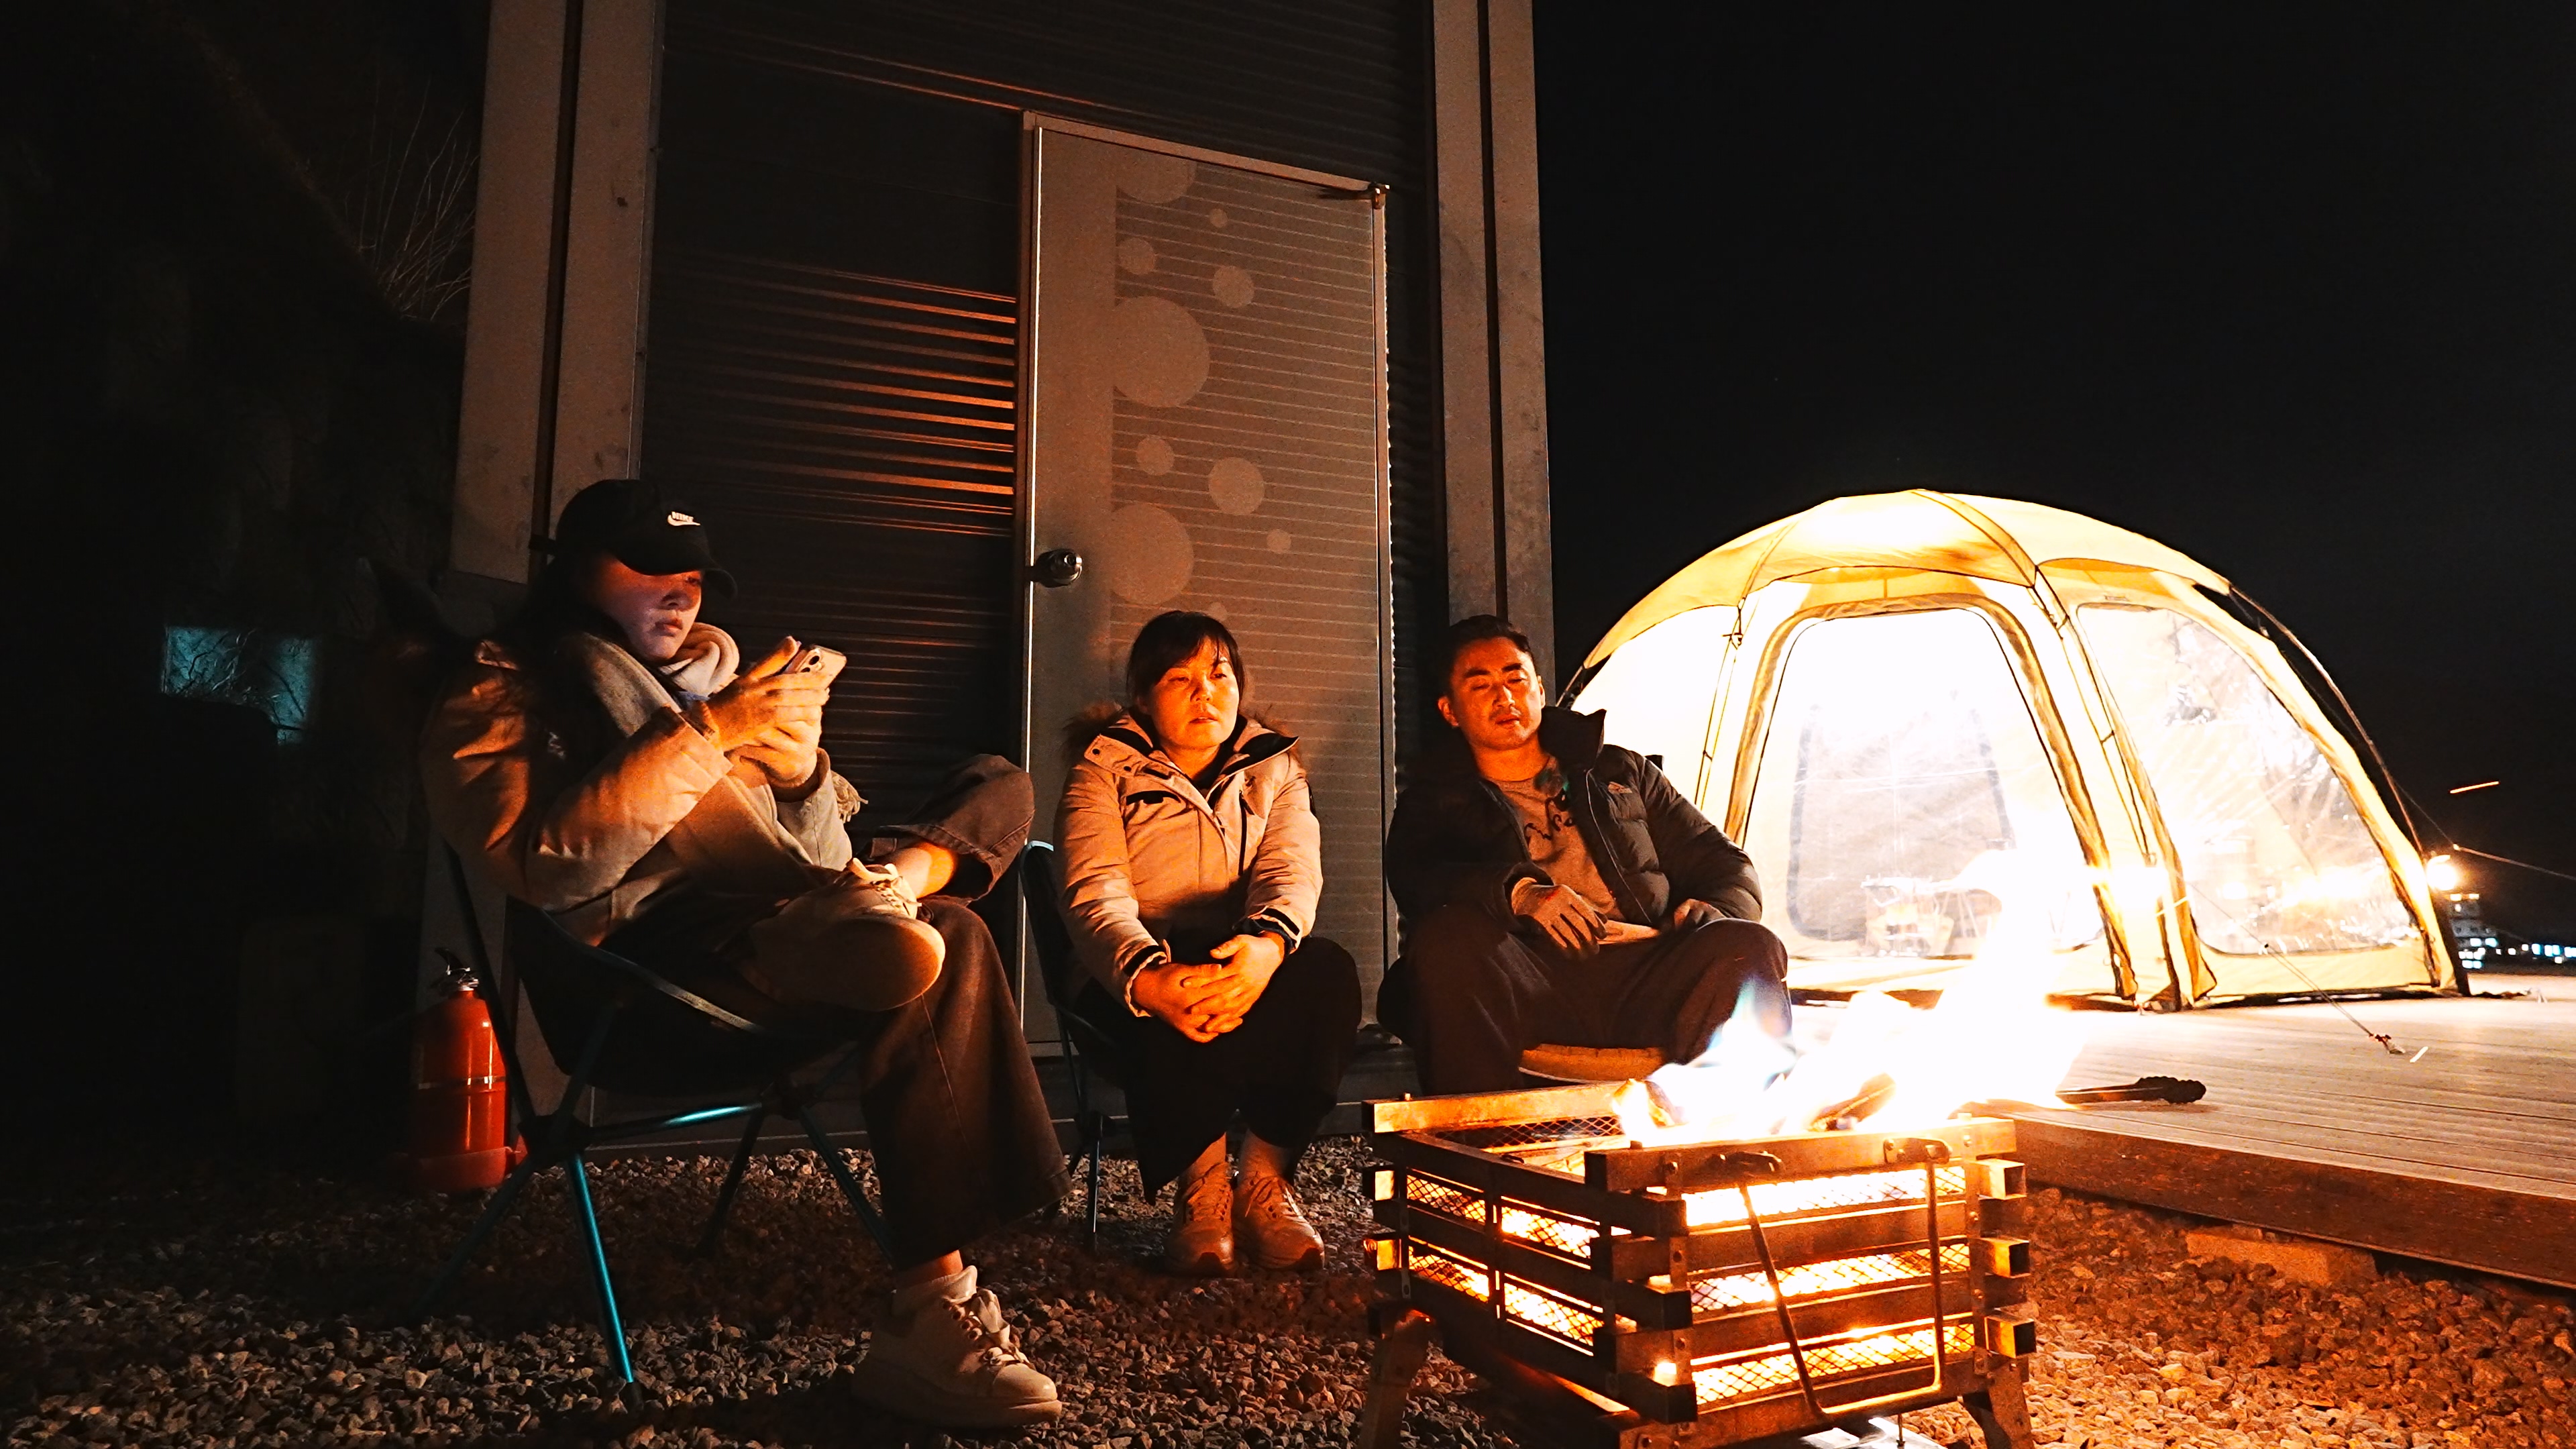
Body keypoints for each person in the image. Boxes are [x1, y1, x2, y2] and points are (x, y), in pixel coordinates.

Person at [418, 478, 1067, 1429]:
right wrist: (710, 735)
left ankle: (884, 901)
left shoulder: (725, 682)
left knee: (997, 784)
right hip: (652, 976)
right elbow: (549, 867)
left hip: (797, 908)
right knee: (950, 938)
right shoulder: (504, 688)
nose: (680, 594)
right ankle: (930, 1310)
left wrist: (799, 775)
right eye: (650, 568)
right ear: (574, 570)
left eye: (693, 578)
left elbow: (818, 856)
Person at [1055, 610, 1360, 1275]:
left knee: (1328, 969)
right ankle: (1203, 1188)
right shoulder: (1103, 770)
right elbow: (1094, 893)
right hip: (1136, 980)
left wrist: (1266, 948)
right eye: (1180, 678)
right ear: (1142, 697)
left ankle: (1263, 1185)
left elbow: (1291, 871)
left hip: (1243, 964)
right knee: (1190, 951)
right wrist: (1148, 977)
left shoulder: (1275, 767)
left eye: (1220, 675)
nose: (1205, 694)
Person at [1380, 614, 1791, 1095]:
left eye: (1516, 679)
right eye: (1481, 685)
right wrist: (1520, 894)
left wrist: (1713, 909)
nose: (1505, 697)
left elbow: (1724, 863)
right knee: (1447, 942)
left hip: (1647, 972)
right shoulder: (1435, 800)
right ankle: (1481, 1136)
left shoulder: (1619, 771)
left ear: (1539, 688)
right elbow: (1420, 881)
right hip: (1532, 980)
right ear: (1450, 710)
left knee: (1748, 944)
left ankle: (1737, 1130)